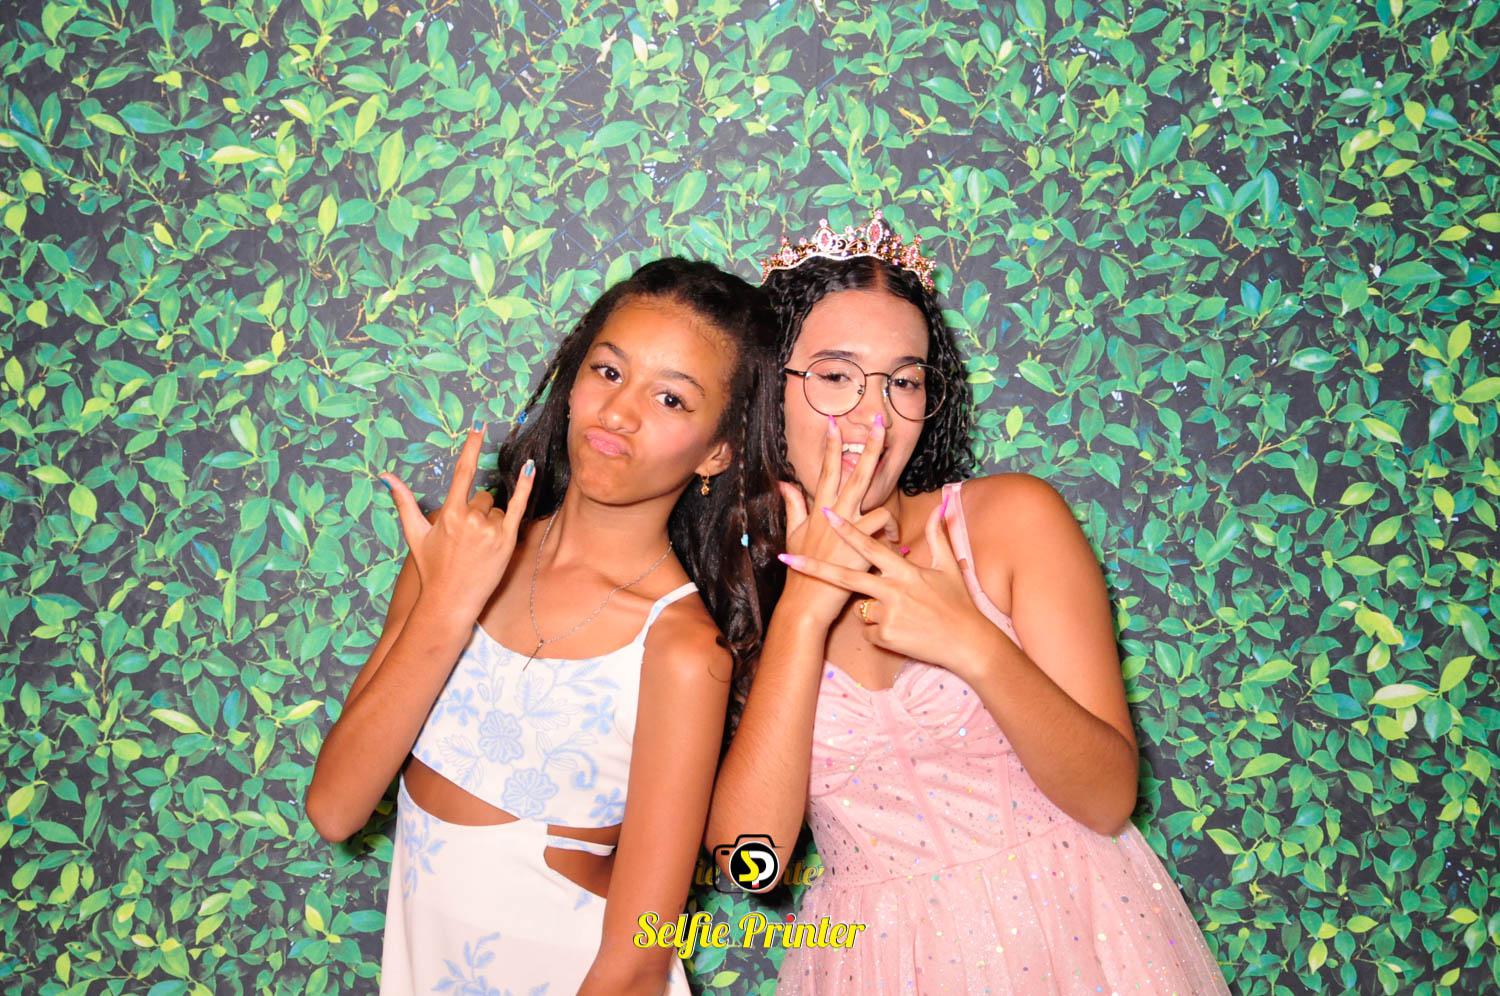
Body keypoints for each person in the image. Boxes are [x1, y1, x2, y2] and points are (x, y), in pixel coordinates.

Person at [706, 214, 1231, 993]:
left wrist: (972, 643)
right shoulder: (730, 581)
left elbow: (1108, 799)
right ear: (768, 388)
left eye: (903, 381)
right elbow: (749, 864)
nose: (874, 417)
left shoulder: (1010, 521)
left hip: (1079, 937)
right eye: (835, 375)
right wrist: (802, 614)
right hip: (876, 965)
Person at [305, 258, 784, 995]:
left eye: (670, 398)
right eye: (608, 371)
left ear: (718, 451)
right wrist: (448, 603)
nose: (618, 413)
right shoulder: (461, 552)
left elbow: (636, 962)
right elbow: (335, 808)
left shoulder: (683, 650)